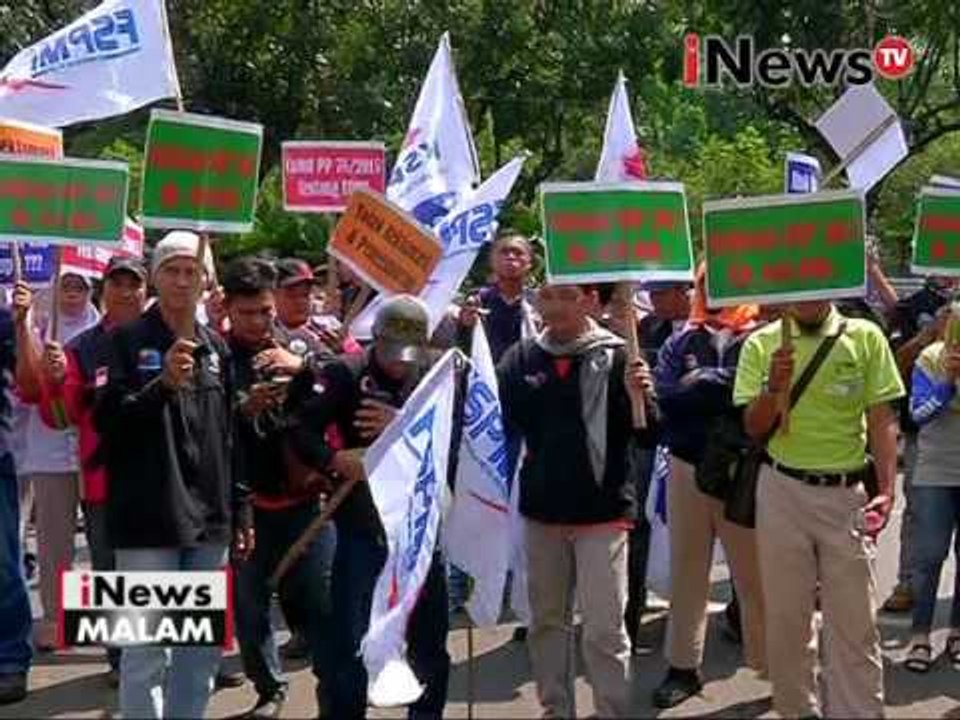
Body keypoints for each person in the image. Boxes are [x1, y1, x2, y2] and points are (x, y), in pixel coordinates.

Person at [93, 231, 254, 719]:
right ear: (154, 278)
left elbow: (230, 437)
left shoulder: (217, 349)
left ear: (206, 283)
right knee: (145, 651)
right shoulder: (121, 342)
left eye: (192, 272)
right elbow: (109, 426)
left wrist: (241, 507)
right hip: (146, 522)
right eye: (172, 270)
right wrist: (161, 386)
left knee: (197, 651)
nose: (183, 281)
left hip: (209, 523)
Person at [734, 299, 904, 717]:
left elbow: (881, 417)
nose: (806, 296)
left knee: (855, 623)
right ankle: (796, 710)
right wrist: (774, 388)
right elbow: (753, 426)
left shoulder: (865, 336)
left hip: (845, 494)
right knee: (787, 620)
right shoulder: (760, 343)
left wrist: (886, 487)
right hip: (781, 490)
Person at [497, 283, 657, 718]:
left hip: (603, 514)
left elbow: (649, 434)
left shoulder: (621, 355)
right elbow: (498, 423)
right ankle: (556, 708)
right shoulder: (521, 359)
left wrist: (643, 394)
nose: (556, 307)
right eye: (547, 297)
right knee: (548, 623)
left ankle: (613, 709)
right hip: (542, 513)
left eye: (568, 296)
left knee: (605, 630)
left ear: (589, 301)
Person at [288, 295, 450, 719]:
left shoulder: (437, 377)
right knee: (350, 638)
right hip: (359, 525)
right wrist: (336, 460)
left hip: (418, 531)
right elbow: (300, 431)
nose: (400, 364)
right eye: (392, 352)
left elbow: (453, 447)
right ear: (375, 339)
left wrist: (399, 427)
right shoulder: (345, 374)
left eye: (409, 353)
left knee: (429, 640)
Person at [221, 257, 336, 718]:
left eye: (265, 311)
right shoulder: (216, 355)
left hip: (308, 501)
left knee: (319, 603)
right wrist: (242, 409)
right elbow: (200, 427)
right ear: (228, 308)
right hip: (247, 504)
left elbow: (340, 387)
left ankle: (338, 692)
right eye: (247, 312)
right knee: (249, 610)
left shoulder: (302, 346)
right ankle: (269, 689)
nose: (258, 321)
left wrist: (303, 369)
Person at [651, 272, 765, 709]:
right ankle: (683, 667)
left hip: (744, 470)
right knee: (688, 572)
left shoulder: (764, 338)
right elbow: (667, 398)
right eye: (707, 282)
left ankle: (775, 663)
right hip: (686, 466)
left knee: (756, 575)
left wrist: (700, 382)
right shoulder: (681, 342)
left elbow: (750, 392)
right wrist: (710, 385)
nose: (715, 290)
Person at [34, 257, 148, 685]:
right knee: (111, 572)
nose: (125, 292)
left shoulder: (170, 336)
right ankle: (122, 661)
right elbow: (59, 418)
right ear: (105, 291)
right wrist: (57, 380)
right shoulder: (81, 348)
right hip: (103, 484)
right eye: (116, 284)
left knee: (164, 570)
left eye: (133, 283)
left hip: (166, 480)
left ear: (144, 288)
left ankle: (169, 655)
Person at [15, 271, 99, 652]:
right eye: (65, 285)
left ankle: (107, 617)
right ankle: (54, 617)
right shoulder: (38, 329)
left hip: (94, 453)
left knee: (104, 543)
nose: (72, 293)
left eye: (80, 286)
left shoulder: (101, 329)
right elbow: (27, 390)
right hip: (49, 455)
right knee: (54, 545)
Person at [882, 277, 956, 613]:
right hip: (925, 434)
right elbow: (896, 362)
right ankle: (909, 582)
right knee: (919, 516)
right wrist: (931, 333)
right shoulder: (911, 307)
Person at [903, 327, 960, 672]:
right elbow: (918, 414)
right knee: (929, 555)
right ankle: (920, 636)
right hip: (936, 471)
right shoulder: (931, 358)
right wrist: (948, 381)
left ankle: (956, 632)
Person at [0, 286, 31, 705]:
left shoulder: (6, 319)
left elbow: (31, 380)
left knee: (3, 566)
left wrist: (23, 323)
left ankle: (9, 660)